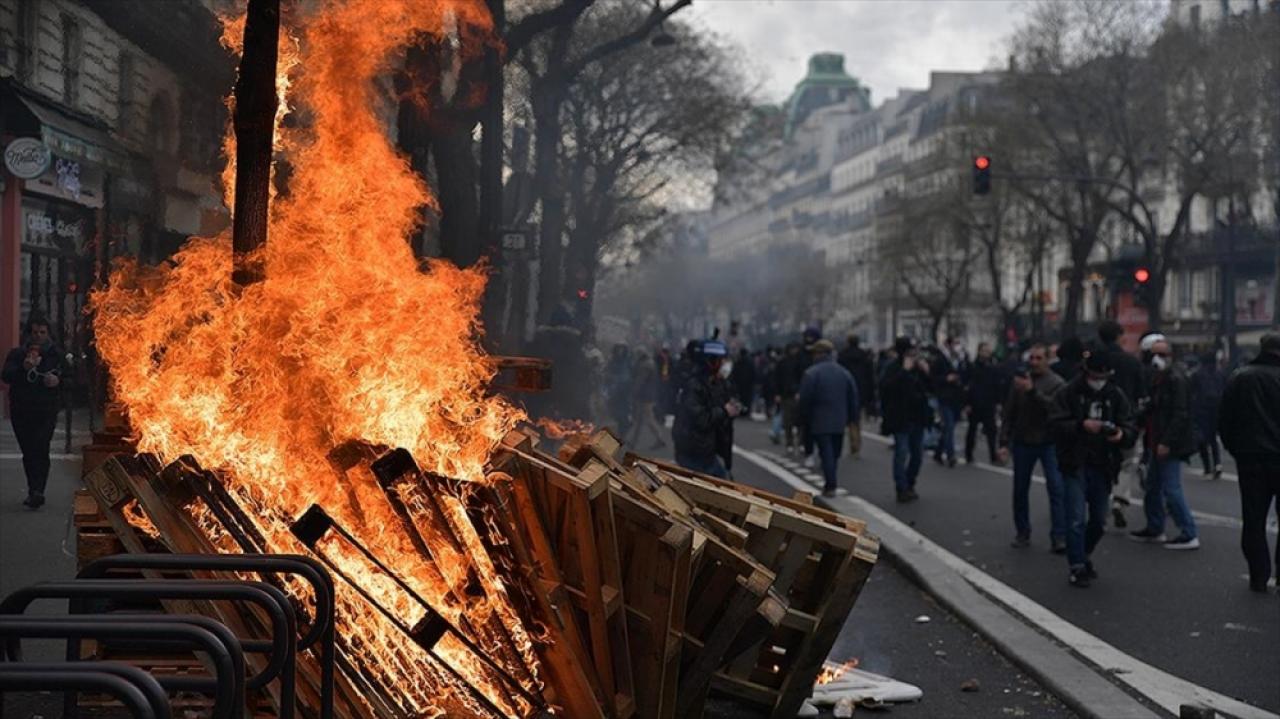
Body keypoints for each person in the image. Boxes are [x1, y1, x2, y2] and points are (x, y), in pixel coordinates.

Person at [1049, 350, 1138, 587]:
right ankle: (1076, 565)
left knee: (1099, 520)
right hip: (1075, 461)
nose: (1099, 380)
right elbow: (1055, 424)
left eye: (1104, 375)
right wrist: (1081, 426)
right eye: (1095, 375)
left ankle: (1083, 553)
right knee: (1076, 517)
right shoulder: (1068, 393)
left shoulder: (1115, 395)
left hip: (1103, 463)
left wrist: (1120, 434)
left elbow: (1129, 425)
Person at [1218, 333, 1280, 593]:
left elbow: (1225, 420)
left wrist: (1238, 450)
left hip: (1251, 457)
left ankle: (1259, 575)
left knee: (1253, 519)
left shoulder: (1241, 377)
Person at [1129, 339, 1199, 549]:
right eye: (1154, 354)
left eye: (1162, 354)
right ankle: (1155, 527)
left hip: (1167, 442)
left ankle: (1188, 532)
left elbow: (1180, 414)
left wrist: (1167, 442)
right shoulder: (1159, 378)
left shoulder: (1176, 378)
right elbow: (1154, 407)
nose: (1158, 359)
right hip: (1155, 439)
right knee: (1152, 487)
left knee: (1171, 488)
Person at [997, 344, 1067, 552]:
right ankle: (1022, 532)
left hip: (1048, 442)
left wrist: (1033, 392)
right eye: (1032, 358)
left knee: (1056, 489)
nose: (1034, 362)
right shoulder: (1019, 382)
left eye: (1039, 358)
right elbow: (1009, 413)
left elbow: (1055, 409)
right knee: (1020, 490)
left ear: (1047, 360)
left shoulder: (1056, 383)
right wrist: (1003, 442)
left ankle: (1059, 536)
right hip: (1023, 441)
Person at [2, 315, 66, 509]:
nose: (38, 336)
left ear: (48, 333)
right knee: (29, 450)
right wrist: (23, 368)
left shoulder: (56, 355)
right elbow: (6, 376)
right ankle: (33, 488)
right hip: (22, 409)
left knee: (41, 446)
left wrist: (57, 381)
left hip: (45, 409)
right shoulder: (17, 354)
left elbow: (70, 379)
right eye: (34, 332)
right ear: (28, 334)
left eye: (42, 332)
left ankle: (38, 490)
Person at [1097, 321, 1147, 529]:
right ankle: (1119, 498)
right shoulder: (1131, 362)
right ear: (1119, 336)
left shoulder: (1096, 360)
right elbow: (1142, 392)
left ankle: (1099, 505)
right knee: (1128, 462)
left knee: (1099, 463)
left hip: (1099, 417)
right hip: (1127, 419)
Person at [798, 339, 859, 496]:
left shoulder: (811, 373)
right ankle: (831, 480)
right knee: (835, 452)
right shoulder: (844, 373)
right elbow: (853, 397)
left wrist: (803, 418)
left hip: (819, 419)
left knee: (826, 452)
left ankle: (830, 485)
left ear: (818, 354)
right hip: (840, 419)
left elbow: (805, 399)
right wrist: (853, 418)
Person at [672, 340, 739, 478]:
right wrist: (724, 411)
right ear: (711, 362)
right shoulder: (694, 386)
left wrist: (730, 408)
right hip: (694, 452)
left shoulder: (715, 383)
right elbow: (700, 419)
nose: (725, 364)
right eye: (721, 360)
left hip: (708, 451)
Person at [879, 337, 932, 502]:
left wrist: (926, 372)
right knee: (901, 452)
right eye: (910, 351)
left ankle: (910, 483)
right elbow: (885, 388)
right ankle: (901, 488)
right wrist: (904, 371)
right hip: (900, 417)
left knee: (917, 454)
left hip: (918, 416)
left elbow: (929, 388)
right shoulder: (892, 367)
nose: (913, 355)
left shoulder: (918, 368)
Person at [838, 334, 876, 458]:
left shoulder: (842, 356)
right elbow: (870, 376)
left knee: (844, 418)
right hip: (861, 389)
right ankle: (856, 444)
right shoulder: (865, 356)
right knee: (856, 418)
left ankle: (847, 444)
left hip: (844, 389)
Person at [965, 342, 1003, 465]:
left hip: (988, 403)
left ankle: (993, 456)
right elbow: (969, 387)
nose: (986, 353)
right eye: (984, 350)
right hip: (975, 403)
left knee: (991, 431)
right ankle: (968, 454)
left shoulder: (992, 367)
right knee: (972, 430)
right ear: (979, 351)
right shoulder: (972, 367)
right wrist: (967, 403)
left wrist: (998, 402)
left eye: (988, 351)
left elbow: (996, 386)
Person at [1189, 352, 1226, 479]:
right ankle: (1218, 463)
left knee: (1201, 439)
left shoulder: (1197, 374)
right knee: (1213, 438)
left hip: (1200, 410)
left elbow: (1191, 392)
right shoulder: (1220, 374)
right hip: (1217, 410)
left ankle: (1207, 467)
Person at [931, 337, 967, 468]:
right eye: (954, 344)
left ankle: (938, 451)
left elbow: (965, 375)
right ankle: (950, 455)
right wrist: (946, 378)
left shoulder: (960, 359)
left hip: (955, 398)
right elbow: (933, 378)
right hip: (944, 397)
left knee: (948, 427)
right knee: (949, 425)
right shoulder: (940, 359)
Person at [626, 349, 666, 450]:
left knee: (648, 418)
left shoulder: (645, 365)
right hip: (647, 394)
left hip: (644, 396)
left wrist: (633, 392)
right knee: (640, 419)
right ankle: (633, 441)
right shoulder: (650, 363)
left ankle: (659, 439)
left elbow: (640, 381)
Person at [772, 343, 805, 456]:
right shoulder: (784, 362)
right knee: (788, 421)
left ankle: (799, 443)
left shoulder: (798, 362)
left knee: (798, 421)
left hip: (793, 394)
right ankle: (791, 443)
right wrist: (777, 393)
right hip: (787, 395)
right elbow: (777, 378)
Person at [729, 347, 756, 415]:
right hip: (748, 385)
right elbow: (754, 373)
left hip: (739, 384)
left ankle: (740, 411)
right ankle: (746, 412)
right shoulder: (751, 362)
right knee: (747, 399)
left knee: (740, 399)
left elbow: (734, 373)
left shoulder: (738, 362)